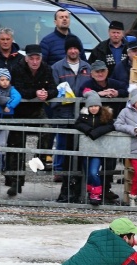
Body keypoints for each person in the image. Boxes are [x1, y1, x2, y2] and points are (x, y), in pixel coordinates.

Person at [9, 44, 58, 196]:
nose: (35, 62)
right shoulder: (17, 68)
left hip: (38, 110)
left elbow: (54, 89)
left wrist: (46, 94)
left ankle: (39, 158)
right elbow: (16, 88)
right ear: (26, 58)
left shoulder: (47, 69)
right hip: (20, 111)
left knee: (47, 130)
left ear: (41, 59)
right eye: (32, 58)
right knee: (16, 147)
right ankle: (16, 181)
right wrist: (34, 93)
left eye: (37, 58)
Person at [52, 35, 91, 199]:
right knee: (66, 154)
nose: (73, 51)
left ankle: (79, 190)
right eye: (70, 48)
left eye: (76, 48)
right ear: (66, 50)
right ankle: (65, 190)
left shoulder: (87, 67)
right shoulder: (57, 68)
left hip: (84, 117)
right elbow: (54, 92)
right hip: (66, 117)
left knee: (82, 154)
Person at [74, 91, 115, 205]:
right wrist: (88, 130)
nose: (93, 108)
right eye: (91, 106)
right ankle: (92, 192)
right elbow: (77, 124)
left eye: (96, 106)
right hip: (86, 149)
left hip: (98, 150)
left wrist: (96, 132)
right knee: (88, 173)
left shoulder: (105, 116)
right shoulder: (83, 116)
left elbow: (111, 126)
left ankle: (97, 194)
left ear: (100, 106)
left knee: (93, 172)